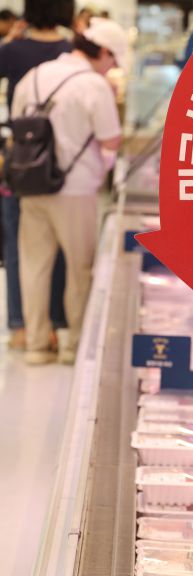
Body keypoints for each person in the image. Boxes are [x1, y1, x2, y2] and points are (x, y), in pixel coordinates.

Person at [12, 18, 125, 365]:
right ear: (103, 51)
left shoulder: (34, 76)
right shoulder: (93, 85)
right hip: (75, 191)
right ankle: (73, 346)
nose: (112, 68)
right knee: (79, 268)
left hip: (32, 185)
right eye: (113, 60)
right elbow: (111, 139)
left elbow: (17, 125)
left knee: (33, 266)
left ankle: (36, 345)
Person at [0, 0, 73, 351]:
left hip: (20, 161)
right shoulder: (70, 52)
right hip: (63, 167)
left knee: (18, 247)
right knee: (59, 248)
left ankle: (21, 326)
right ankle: (55, 325)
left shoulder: (12, 52)